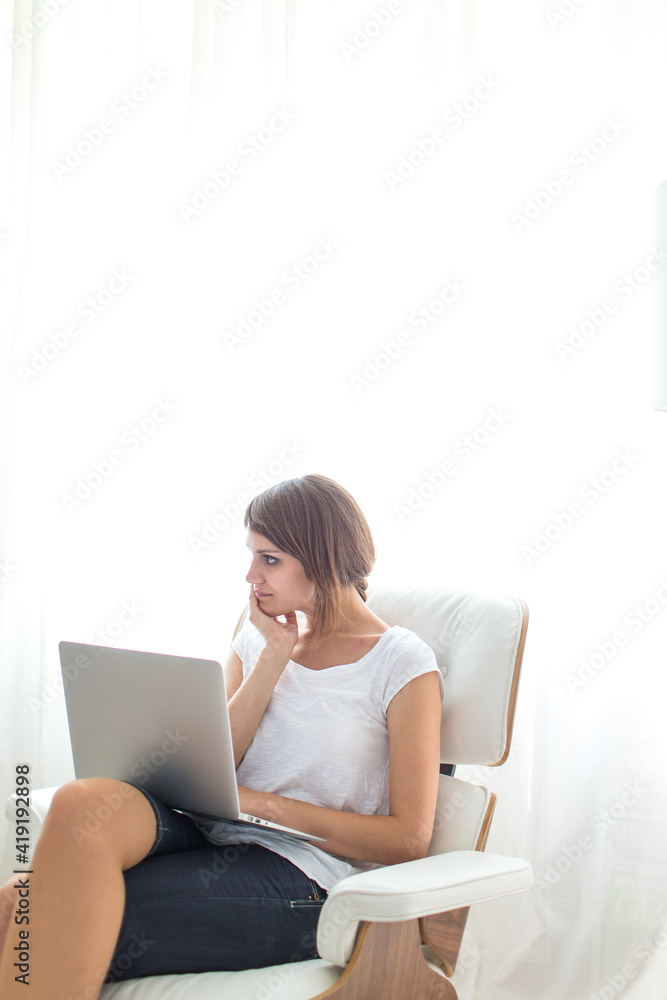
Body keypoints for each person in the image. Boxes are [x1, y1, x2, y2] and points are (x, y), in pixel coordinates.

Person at [0, 474, 444, 999]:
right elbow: (218, 761)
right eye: (252, 556)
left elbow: (408, 840)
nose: (251, 575)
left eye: (270, 559)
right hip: (210, 830)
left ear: (322, 558)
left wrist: (261, 805)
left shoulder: (400, 662)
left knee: (28, 914)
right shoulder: (261, 638)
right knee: (81, 804)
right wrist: (273, 660)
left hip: (303, 874)